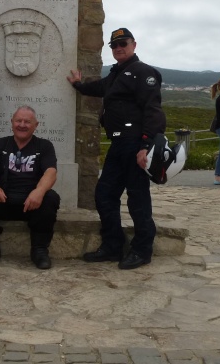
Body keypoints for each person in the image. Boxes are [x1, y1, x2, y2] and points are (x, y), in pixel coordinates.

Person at [67, 27, 166, 270]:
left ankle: (142, 250)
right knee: (104, 194)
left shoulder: (144, 72)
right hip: (119, 144)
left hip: (135, 145)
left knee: (138, 198)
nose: (118, 48)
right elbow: (100, 87)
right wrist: (79, 85)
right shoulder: (116, 74)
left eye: (123, 43)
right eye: (114, 45)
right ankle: (113, 245)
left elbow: (153, 110)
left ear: (134, 44)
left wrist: (145, 145)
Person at [0, 106, 60, 270]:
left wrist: (39, 192)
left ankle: (39, 250)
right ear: (12, 123)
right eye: (18, 120)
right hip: (3, 201)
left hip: (32, 204)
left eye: (27, 122)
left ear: (36, 125)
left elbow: (51, 172)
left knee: (51, 197)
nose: (22, 125)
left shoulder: (44, 146)